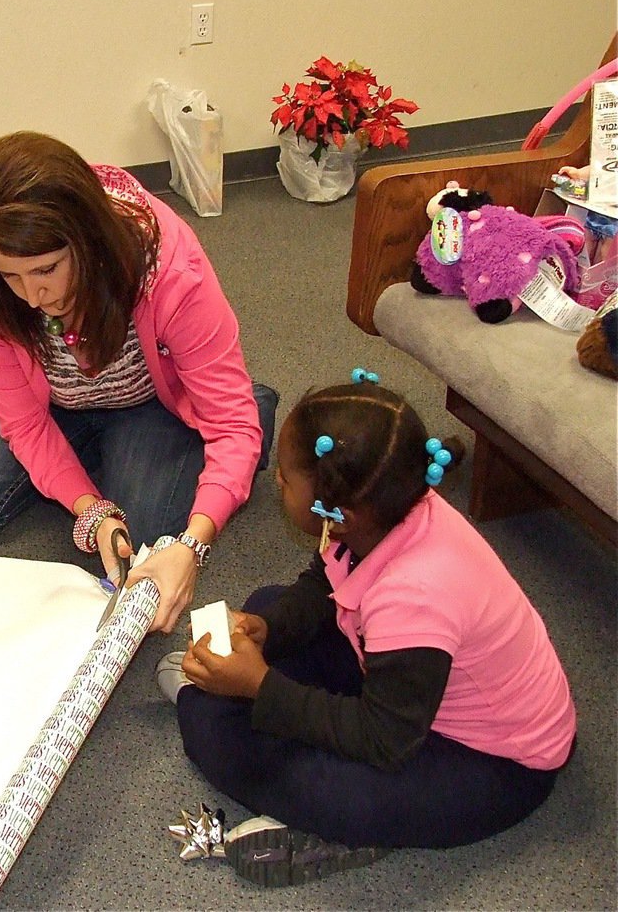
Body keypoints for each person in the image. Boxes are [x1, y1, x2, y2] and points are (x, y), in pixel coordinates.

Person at [156, 373, 576, 886]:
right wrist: (269, 629)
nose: (277, 483)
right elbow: (326, 580)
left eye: (286, 480)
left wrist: (260, 687)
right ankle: (236, 687)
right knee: (269, 605)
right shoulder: (384, 510)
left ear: (339, 513)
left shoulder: (415, 596)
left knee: (218, 734)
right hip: (416, 685)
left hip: (492, 765)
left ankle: (328, 828)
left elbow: (384, 739)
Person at [0, 131, 275, 633]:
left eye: (46, 269)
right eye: (11, 276)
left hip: (146, 398)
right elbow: (22, 424)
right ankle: (102, 459)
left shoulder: (170, 268)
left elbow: (232, 427)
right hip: (50, 401)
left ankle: (235, 404)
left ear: (88, 241)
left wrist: (193, 545)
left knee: (152, 532)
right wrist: (90, 509)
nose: (31, 296)